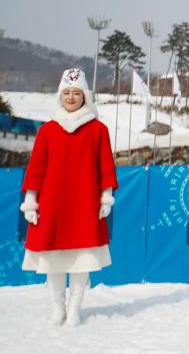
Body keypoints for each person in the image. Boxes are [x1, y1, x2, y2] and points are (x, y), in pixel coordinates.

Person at [20, 68, 117, 327]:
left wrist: (106, 196)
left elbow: (105, 166)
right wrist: (31, 199)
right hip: (52, 204)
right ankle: (57, 308)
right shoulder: (47, 131)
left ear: (85, 96)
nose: (71, 98)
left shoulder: (98, 130)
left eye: (76, 93)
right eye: (67, 93)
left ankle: (75, 307)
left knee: (80, 259)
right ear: (60, 96)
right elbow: (36, 168)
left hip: (85, 202)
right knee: (52, 260)